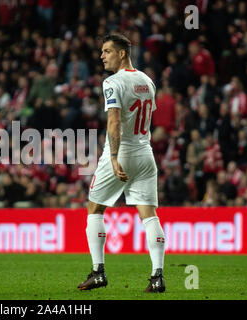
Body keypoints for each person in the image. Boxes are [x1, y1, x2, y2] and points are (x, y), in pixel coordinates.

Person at [77, 34, 166, 293]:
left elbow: (114, 120)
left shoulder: (112, 82)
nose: (102, 56)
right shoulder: (147, 81)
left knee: (95, 208)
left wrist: (114, 157)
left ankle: (98, 272)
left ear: (122, 54)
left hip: (123, 152)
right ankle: (157, 276)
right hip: (145, 153)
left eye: (107, 51)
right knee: (149, 215)